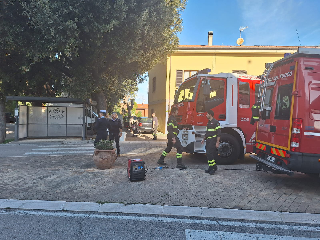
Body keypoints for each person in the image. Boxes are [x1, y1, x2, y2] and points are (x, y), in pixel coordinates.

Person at [201, 109, 221, 175]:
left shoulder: (216, 122)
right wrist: (203, 139)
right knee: (208, 154)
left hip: (213, 140)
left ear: (210, 114)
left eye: (207, 114)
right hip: (208, 140)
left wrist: (217, 142)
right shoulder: (208, 123)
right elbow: (207, 133)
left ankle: (213, 167)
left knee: (210, 154)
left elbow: (219, 133)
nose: (206, 115)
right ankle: (211, 167)